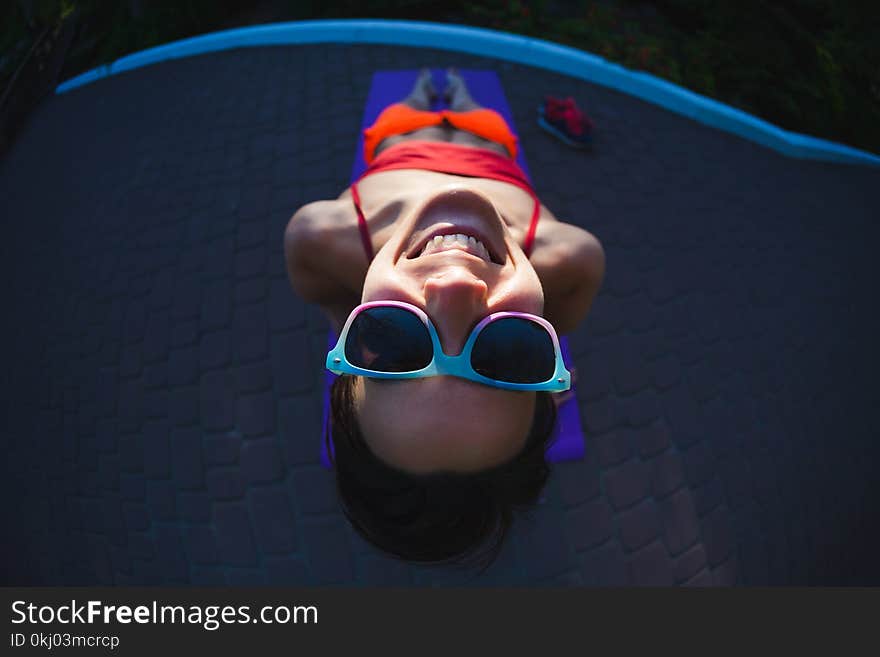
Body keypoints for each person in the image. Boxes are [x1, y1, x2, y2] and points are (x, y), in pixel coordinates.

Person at [284, 68, 605, 567]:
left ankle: (426, 94)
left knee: (411, 112)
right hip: (489, 151)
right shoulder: (573, 257)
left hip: (401, 141)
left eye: (392, 345)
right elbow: (557, 325)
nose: (456, 286)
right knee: (475, 114)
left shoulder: (318, 235)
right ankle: (457, 92)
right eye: (509, 351)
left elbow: (333, 307)